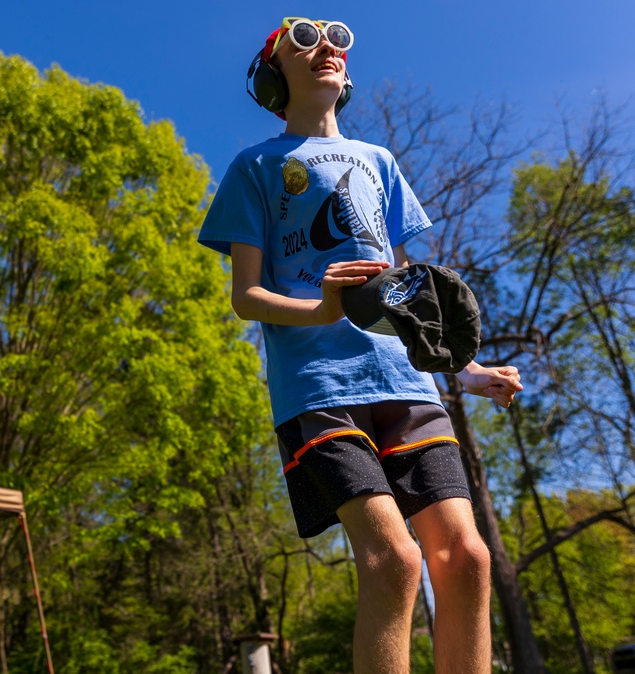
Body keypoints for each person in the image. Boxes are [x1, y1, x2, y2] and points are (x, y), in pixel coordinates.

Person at [197, 17, 524, 674]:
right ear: (273, 75)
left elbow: (406, 292)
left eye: (336, 42)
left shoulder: (380, 163)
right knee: (395, 559)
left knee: (467, 558)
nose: (325, 49)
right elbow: (245, 297)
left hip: (407, 382)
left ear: (345, 76)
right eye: (303, 41)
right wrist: (321, 307)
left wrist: (467, 371)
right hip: (319, 390)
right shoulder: (256, 166)